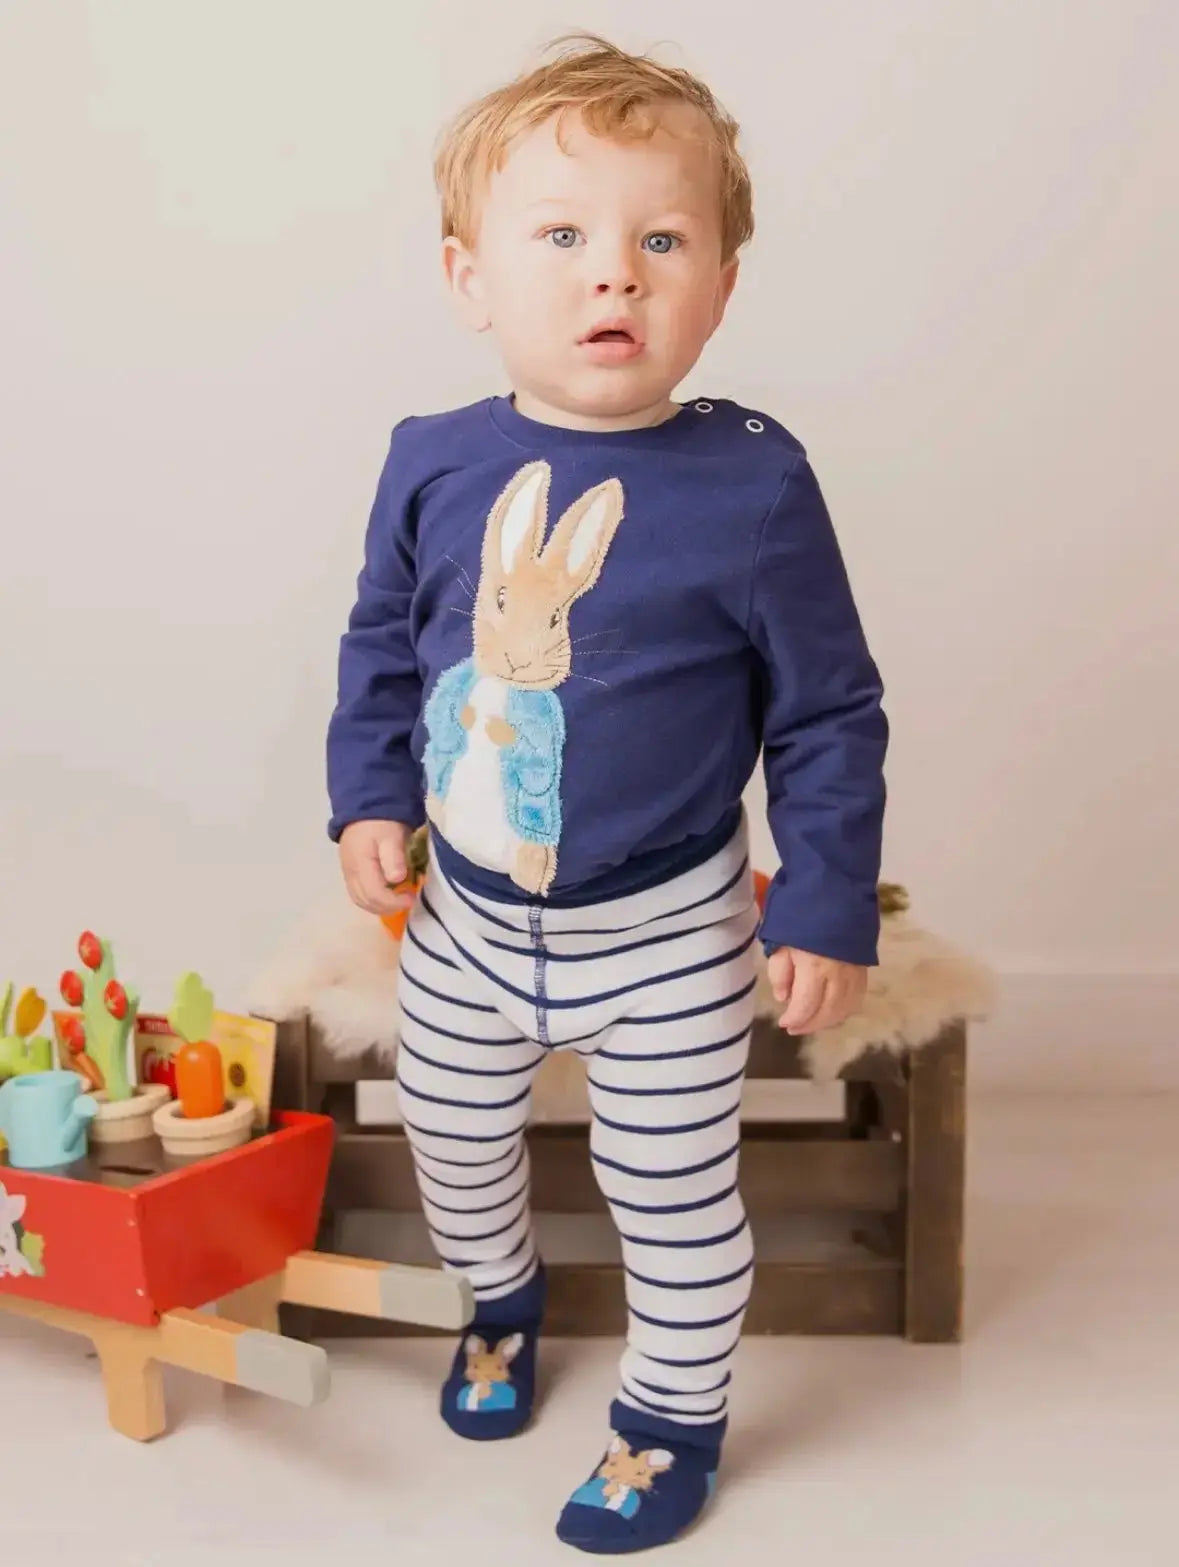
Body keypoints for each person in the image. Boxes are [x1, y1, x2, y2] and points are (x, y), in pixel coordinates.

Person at [325, 32, 888, 1555]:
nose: (615, 277)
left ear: (722, 286)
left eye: (663, 241)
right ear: (471, 277)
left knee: (672, 1189)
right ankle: (500, 1302)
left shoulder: (756, 485)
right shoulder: (433, 462)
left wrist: (827, 897)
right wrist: (367, 796)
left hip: (667, 933)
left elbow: (829, 711)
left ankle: (667, 1421)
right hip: (469, 918)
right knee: (451, 1136)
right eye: (563, 237)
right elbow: (382, 645)